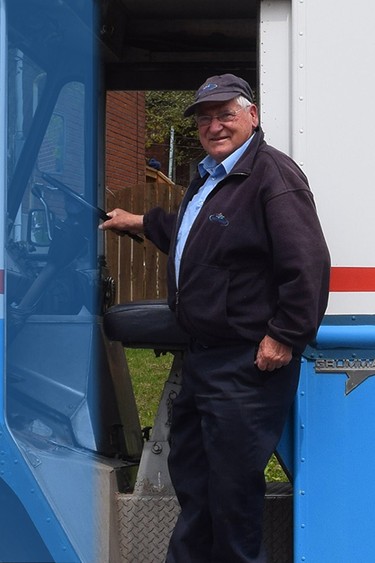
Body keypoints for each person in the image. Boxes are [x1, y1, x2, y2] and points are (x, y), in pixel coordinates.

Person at [100, 74, 330, 563]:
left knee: (231, 493)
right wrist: (138, 222)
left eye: (225, 113)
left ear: (253, 115)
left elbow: (306, 262)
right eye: (205, 117)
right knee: (196, 481)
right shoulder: (210, 175)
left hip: (247, 362)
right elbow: (191, 234)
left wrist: (284, 337)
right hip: (205, 358)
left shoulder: (271, 175)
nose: (214, 125)